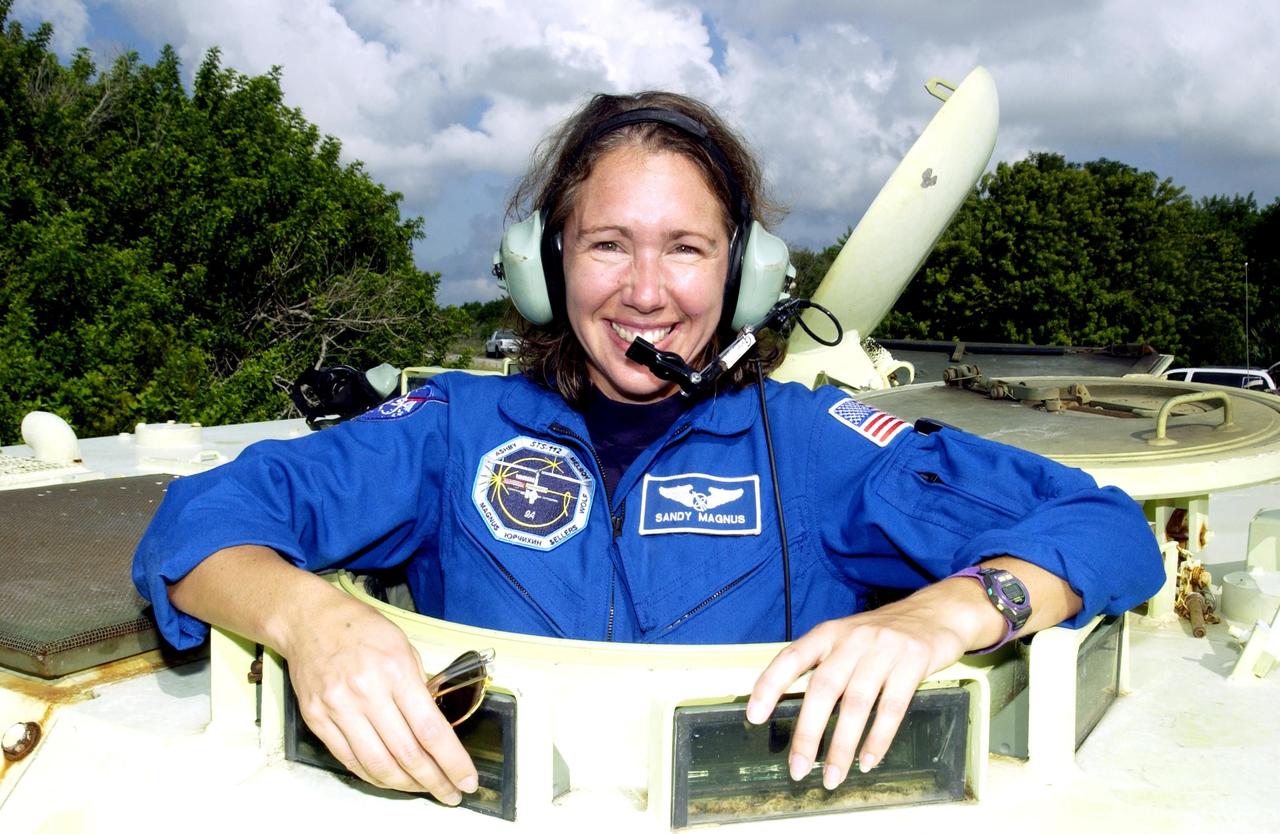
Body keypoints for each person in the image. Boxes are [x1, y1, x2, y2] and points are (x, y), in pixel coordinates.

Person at [133, 91, 1164, 805]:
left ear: (744, 277)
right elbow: (201, 519)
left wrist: (940, 614)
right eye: (606, 244)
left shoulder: (813, 447)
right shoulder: (453, 429)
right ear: (546, 269)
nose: (645, 290)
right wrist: (310, 619)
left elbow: (1102, 526)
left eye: (684, 247)